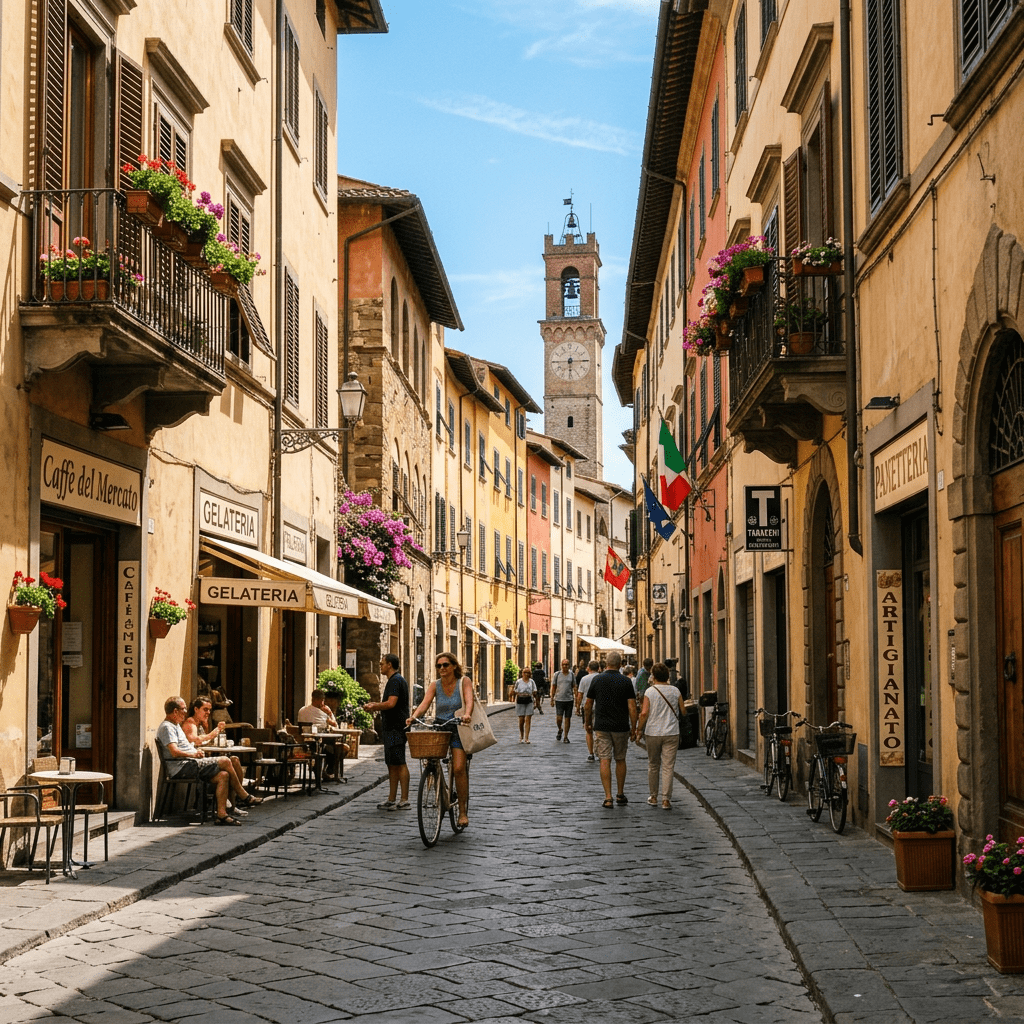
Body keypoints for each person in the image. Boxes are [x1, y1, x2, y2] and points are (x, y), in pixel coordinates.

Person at [408, 652, 474, 828]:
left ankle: (462, 812)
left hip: (458, 725)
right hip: (440, 727)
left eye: (445, 665)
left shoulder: (464, 681)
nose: (442, 668)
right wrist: (413, 716)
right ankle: (437, 784)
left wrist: (467, 714)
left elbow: (469, 700)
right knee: (430, 760)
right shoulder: (435, 685)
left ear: (453, 666)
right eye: (439, 666)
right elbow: (425, 703)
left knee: (459, 768)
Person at [156, 697, 239, 825]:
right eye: (183, 709)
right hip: (182, 767)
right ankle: (244, 796)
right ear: (175, 711)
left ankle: (221, 815)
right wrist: (193, 754)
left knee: (224, 775)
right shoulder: (167, 727)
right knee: (226, 760)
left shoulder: (176, 725)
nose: (185, 711)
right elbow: (174, 752)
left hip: (190, 763)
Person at [183, 697, 262, 808]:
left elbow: (205, 742)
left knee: (234, 759)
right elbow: (195, 740)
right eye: (205, 709)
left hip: (205, 759)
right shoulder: (190, 723)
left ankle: (234, 803)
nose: (208, 713)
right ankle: (242, 796)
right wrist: (214, 732)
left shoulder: (201, 723)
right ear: (196, 709)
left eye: (209, 710)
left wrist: (210, 730)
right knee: (228, 762)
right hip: (197, 762)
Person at [584, 651, 638, 808]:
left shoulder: (597, 679)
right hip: (621, 726)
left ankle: (608, 797)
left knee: (604, 760)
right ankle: (620, 794)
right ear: (620, 664)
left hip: (601, 726)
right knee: (620, 759)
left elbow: (588, 705)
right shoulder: (625, 681)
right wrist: (633, 728)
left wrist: (588, 722)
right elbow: (632, 707)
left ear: (605, 664)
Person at [365, 654, 410, 810]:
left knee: (400, 762)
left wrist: (374, 706)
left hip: (396, 728)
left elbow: (391, 703)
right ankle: (391, 798)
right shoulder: (394, 681)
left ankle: (404, 800)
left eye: (382, 663)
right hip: (391, 728)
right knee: (391, 763)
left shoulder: (396, 681)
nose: (380, 666)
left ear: (389, 665)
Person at [636, 663, 684, 809]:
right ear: (667, 676)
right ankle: (666, 800)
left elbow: (644, 713)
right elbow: (683, 710)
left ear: (653, 676)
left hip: (653, 733)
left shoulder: (650, 692)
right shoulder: (675, 691)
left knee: (653, 765)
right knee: (668, 766)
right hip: (671, 732)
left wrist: (638, 730)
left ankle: (653, 796)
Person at [297, 688, 344, 781]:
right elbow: (335, 725)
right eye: (322, 700)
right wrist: (329, 713)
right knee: (338, 748)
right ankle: (327, 771)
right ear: (319, 700)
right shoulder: (322, 713)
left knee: (328, 747)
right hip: (317, 742)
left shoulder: (302, 710)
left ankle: (321, 771)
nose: (323, 703)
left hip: (305, 742)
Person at [576, 659, 601, 762]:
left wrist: (577, 707)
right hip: (600, 707)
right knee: (599, 731)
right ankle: (600, 753)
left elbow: (580, 694)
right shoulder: (601, 678)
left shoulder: (584, 679)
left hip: (587, 707)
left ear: (588, 668)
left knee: (588, 729)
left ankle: (591, 754)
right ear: (598, 668)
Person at [550, 658, 576, 743]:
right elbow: (554, 686)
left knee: (567, 719)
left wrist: (576, 699)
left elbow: (574, 686)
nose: (565, 666)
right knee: (559, 719)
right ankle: (560, 729)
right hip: (559, 699)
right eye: (563, 664)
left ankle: (566, 736)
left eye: (566, 664)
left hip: (569, 699)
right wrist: (552, 698)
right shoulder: (557, 674)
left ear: (569, 665)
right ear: (561, 665)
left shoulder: (572, 674)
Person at [513, 665, 537, 743]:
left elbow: (534, 691)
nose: (526, 674)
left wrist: (535, 701)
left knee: (528, 719)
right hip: (520, 701)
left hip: (529, 701)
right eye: (525, 672)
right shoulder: (518, 681)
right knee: (521, 720)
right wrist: (518, 694)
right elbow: (515, 690)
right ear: (522, 673)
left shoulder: (532, 682)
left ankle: (526, 738)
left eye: (528, 672)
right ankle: (521, 735)